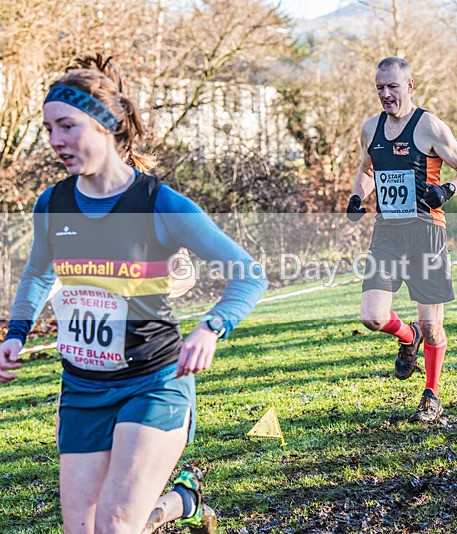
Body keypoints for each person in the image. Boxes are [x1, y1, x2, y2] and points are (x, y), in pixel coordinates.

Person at [0, 53, 269, 533]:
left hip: (153, 381)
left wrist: (211, 327)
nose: (55, 141)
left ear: (104, 125)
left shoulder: (159, 204)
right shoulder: (53, 203)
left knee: (116, 524)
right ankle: (180, 502)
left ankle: (172, 502)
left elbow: (248, 274)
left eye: (66, 126)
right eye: (48, 129)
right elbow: (39, 275)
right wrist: (17, 333)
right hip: (81, 387)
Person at [346, 57, 457, 422]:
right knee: (372, 317)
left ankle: (432, 395)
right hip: (388, 232)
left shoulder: (429, 126)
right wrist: (358, 196)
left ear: (410, 85)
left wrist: (447, 189)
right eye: (379, 88)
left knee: (431, 324)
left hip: (426, 231)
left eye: (392, 86)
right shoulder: (370, 128)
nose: (385, 94)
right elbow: (367, 170)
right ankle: (407, 338)